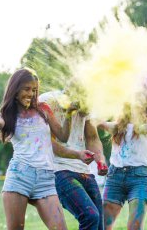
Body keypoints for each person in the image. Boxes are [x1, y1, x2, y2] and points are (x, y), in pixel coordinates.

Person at [0, 68, 93, 230]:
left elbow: (62, 136)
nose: (31, 94)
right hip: (20, 176)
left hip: (45, 179)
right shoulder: (10, 113)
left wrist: (69, 114)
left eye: (34, 90)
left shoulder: (43, 109)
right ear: (15, 89)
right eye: (26, 89)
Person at [39, 90, 108, 230]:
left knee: (100, 222)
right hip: (59, 170)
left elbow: (92, 137)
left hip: (84, 171)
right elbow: (46, 142)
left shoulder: (85, 103)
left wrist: (100, 159)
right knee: (90, 216)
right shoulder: (47, 102)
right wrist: (77, 154)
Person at [98, 99, 147, 230]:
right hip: (114, 177)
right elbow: (105, 124)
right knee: (103, 226)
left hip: (139, 178)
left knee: (135, 227)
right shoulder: (120, 125)